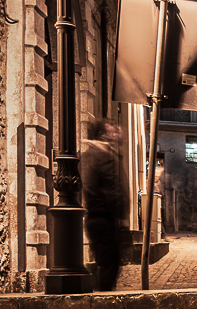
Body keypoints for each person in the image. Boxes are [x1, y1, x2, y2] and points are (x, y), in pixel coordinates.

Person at [81, 118, 126, 290]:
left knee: (105, 263)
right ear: (102, 135)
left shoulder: (89, 155)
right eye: (111, 132)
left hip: (96, 217)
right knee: (109, 265)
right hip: (104, 218)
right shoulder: (103, 156)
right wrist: (119, 212)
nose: (115, 135)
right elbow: (110, 189)